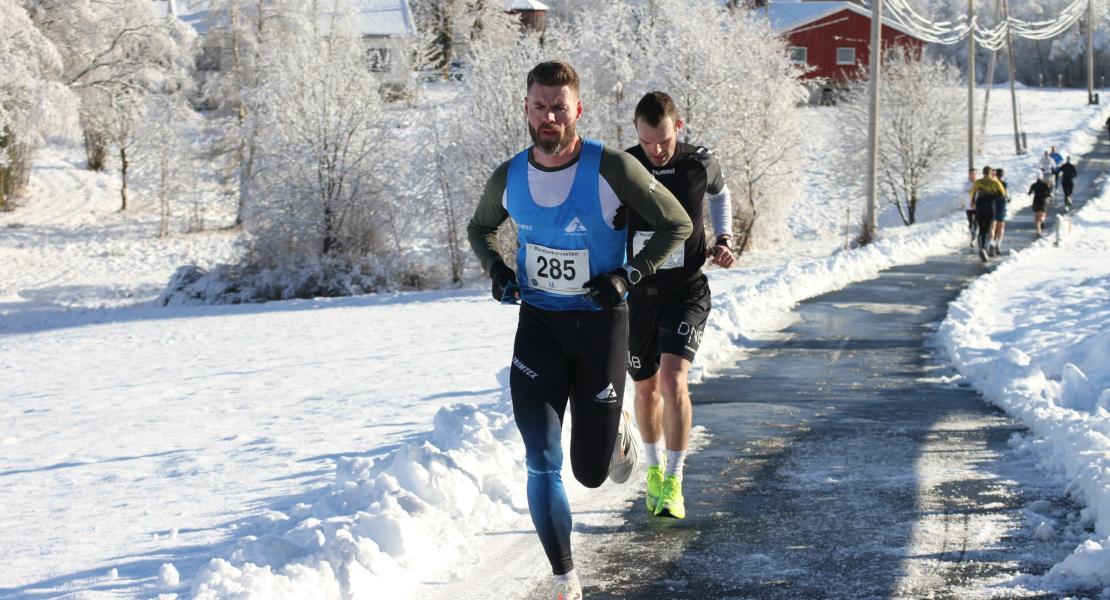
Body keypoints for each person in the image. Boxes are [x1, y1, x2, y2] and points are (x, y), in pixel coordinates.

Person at [466, 60, 692, 600]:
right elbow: (479, 228)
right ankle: (565, 580)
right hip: (539, 326)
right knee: (542, 460)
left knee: (591, 474)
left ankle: (614, 435)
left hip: (601, 327)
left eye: (559, 107)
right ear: (525, 108)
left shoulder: (609, 168)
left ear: (577, 111)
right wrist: (497, 270)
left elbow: (677, 223)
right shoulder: (509, 176)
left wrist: (627, 276)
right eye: (540, 106)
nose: (549, 117)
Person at [622, 91, 734, 520]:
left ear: (678, 127)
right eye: (648, 141)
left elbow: (721, 195)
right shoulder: (625, 167)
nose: (656, 150)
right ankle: (652, 471)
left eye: (664, 140)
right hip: (639, 294)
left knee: (673, 381)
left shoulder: (699, 162)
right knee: (646, 388)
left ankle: (675, 479)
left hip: (686, 288)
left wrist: (723, 239)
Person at [970, 165, 1004, 261]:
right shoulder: (995, 182)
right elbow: (1003, 194)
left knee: (981, 228)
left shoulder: (978, 182)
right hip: (990, 207)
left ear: (983, 173)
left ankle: (981, 248)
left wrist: (972, 202)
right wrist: (994, 196)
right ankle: (984, 248)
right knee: (988, 227)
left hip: (980, 206)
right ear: (990, 173)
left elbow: (972, 193)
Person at [990, 167, 1011, 256]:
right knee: (1001, 226)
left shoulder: (992, 184)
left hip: (993, 206)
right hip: (1002, 205)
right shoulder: (1004, 184)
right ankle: (998, 244)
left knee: (992, 226)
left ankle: (992, 243)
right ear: (1002, 175)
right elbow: (1008, 196)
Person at [960, 167, 977, 247]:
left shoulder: (978, 183)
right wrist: (968, 192)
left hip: (977, 206)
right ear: (969, 175)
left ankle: (974, 237)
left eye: (974, 174)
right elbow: (961, 195)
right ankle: (973, 235)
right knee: (971, 222)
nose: (972, 175)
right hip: (969, 206)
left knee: (976, 221)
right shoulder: (965, 185)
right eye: (971, 174)